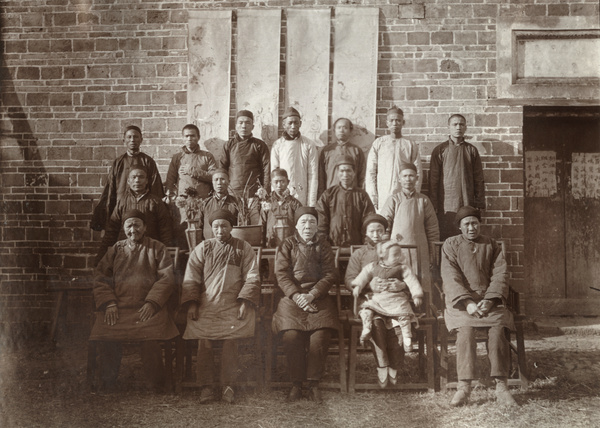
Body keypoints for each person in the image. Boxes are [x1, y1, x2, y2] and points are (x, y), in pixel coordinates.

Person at [89, 209, 179, 392]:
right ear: (124, 228)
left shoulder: (157, 248)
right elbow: (100, 278)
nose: (133, 229)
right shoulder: (114, 250)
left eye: (137, 224)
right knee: (107, 334)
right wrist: (109, 303)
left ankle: (157, 384)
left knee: (151, 338)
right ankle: (107, 382)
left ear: (145, 227)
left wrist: (152, 302)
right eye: (129, 225)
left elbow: (167, 278)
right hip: (118, 308)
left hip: (150, 308)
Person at [181, 209, 261, 404]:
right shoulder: (202, 248)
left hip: (234, 304)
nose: (220, 230)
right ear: (211, 228)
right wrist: (192, 303)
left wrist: (245, 302)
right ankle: (206, 386)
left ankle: (228, 385)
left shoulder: (244, 248)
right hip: (206, 305)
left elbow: (252, 277)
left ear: (231, 227)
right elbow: (191, 277)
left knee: (230, 340)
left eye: (224, 226)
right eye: (215, 226)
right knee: (204, 339)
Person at [441, 206, 517, 407]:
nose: (471, 227)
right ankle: (463, 387)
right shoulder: (450, 245)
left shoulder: (491, 244)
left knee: (498, 331)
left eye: (475, 223)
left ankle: (501, 386)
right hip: (461, 305)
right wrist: (468, 303)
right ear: (460, 227)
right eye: (466, 224)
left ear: (480, 224)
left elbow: (500, 274)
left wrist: (490, 300)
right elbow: (450, 277)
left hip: (489, 302)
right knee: (465, 332)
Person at [272, 207, 339, 403]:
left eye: (311, 222)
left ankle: (313, 384)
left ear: (317, 225)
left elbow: (330, 274)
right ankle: (296, 384)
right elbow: (282, 274)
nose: (307, 226)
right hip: (292, 299)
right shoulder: (287, 245)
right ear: (296, 225)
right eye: (303, 222)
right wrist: (296, 295)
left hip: (319, 297)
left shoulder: (324, 245)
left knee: (320, 336)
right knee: (291, 336)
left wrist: (312, 295)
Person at [345, 215, 409, 388]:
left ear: (385, 232)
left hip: (395, 300)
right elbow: (350, 279)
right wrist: (368, 283)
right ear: (365, 233)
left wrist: (401, 284)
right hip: (370, 300)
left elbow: (409, 275)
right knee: (377, 323)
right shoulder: (359, 254)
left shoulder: (395, 251)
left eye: (380, 230)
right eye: (372, 230)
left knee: (396, 325)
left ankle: (394, 366)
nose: (376, 234)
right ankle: (382, 365)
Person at [351, 241, 424, 353]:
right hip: (378, 299)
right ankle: (367, 328)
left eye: (400, 254)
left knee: (404, 314)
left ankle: (407, 338)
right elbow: (363, 276)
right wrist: (358, 286)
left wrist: (416, 295)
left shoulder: (402, 268)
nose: (399, 257)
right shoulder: (373, 266)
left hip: (396, 299)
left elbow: (412, 281)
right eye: (395, 255)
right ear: (383, 256)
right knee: (367, 310)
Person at [91, 125, 164, 231]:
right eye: (129, 137)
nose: (132, 140)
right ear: (124, 140)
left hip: (143, 206)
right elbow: (110, 189)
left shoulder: (148, 161)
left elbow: (155, 187)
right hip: (122, 207)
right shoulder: (118, 162)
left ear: (141, 140)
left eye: (136, 137)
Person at [380, 163, 439, 292]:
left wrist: (432, 254)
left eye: (411, 176)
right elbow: (384, 226)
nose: (408, 179)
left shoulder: (423, 201)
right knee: (398, 281)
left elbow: (433, 229)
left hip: (419, 250)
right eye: (405, 176)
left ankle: (423, 308)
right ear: (399, 179)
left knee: (419, 282)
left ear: (417, 178)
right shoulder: (393, 200)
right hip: (398, 250)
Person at [95, 167, 172, 264]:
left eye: (141, 177)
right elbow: (112, 230)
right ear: (128, 181)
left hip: (150, 251)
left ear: (147, 181)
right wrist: (101, 257)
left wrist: (165, 254)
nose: (137, 180)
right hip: (126, 252)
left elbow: (165, 229)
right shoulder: (122, 202)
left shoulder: (156, 202)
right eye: (134, 177)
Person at [429, 114, 485, 240]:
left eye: (461, 124)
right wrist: (434, 204)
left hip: (467, 199)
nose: (458, 127)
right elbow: (433, 180)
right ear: (448, 127)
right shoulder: (439, 150)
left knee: (466, 233)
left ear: (465, 127)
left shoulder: (472, 150)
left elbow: (478, 179)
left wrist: (480, 203)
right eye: (455, 124)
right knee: (447, 233)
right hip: (446, 202)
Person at [366, 107, 423, 211]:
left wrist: (414, 194)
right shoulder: (379, 143)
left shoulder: (410, 144)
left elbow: (417, 172)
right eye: (391, 120)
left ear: (403, 122)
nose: (395, 123)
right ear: (387, 123)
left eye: (398, 120)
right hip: (383, 193)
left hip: (404, 193)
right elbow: (371, 172)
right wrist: (373, 198)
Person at [316, 155, 375, 247]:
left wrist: (366, 244)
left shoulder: (362, 195)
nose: (345, 175)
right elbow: (321, 223)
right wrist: (324, 244)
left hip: (356, 246)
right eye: (342, 171)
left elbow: (369, 220)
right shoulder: (328, 194)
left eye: (348, 171)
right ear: (337, 173)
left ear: (354, 172)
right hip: (333, 246)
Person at [270, 107, 319, 206]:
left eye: (296, 123)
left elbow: (313, 175)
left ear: (300, 124)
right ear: (284, 125)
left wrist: (311, 203)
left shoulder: (308, 144)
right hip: (282, 195)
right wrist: (275, 200)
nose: (293, 126)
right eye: (290, 123)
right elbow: (274, 174)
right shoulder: (277, 145)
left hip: (302, 193)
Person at [219, 110, 271, 197]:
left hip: (254, 191)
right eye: (241, 122)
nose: (244, 126)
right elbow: (222, 168)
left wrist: (265, 189)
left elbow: (266, 169)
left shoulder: (259, 145)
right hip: (232, 191)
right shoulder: (228, 145)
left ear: (252, 126)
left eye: (247, 123)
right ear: (236, 126)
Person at [318, 118, 365, 196]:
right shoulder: (327, 151)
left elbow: (362, 175)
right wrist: (321, 196)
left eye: (345, 128)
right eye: (339, 128)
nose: (341, 130)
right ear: (334, 130)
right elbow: (321, 176)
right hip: (331, 194)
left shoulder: (356, 151)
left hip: (352, 195)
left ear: (350, 130)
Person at [260, 168, 302, 248]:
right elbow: (262, 226)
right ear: (271, 183)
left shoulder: (294, 203)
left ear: (288, 182)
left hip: (291, 247)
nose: (279, 185)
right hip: (271, 246)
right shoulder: (267, 203)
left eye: (282, 181)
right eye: (276, 182)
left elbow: (300, 226)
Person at [195, 169, 242, 241]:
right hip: (210, 245)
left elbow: (242, 226)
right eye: (216, 180)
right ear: (212, 182)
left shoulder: (236, 202)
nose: (219, 183)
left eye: (222, 179)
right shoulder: (205, 203)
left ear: (228, 182)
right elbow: (198, 227)